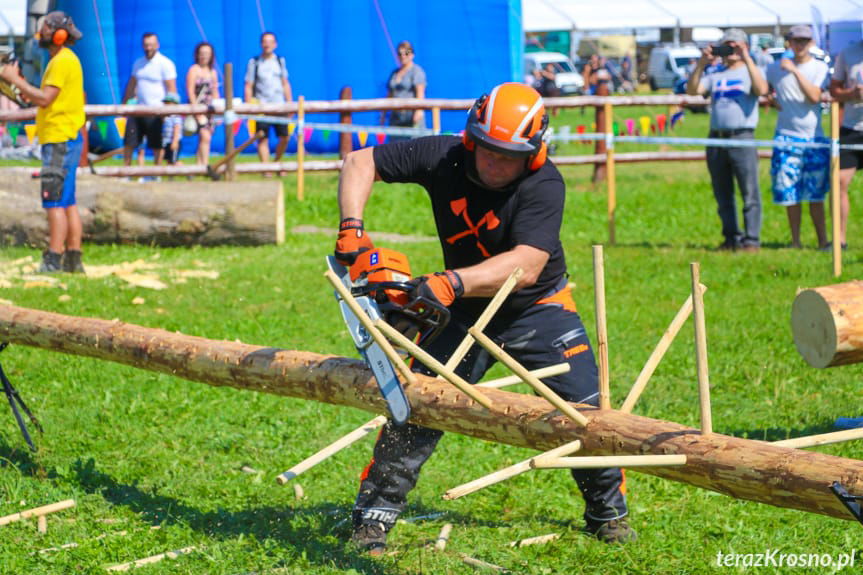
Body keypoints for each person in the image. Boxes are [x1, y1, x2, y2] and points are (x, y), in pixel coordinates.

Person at [335, 82, 634, 555]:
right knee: (416, 404)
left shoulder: (545, 183)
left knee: (584, 411)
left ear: (533, 154)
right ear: (471, 139)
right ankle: (373, 517)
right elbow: (359, 161)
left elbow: (526, 264)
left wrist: (449, 283)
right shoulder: (444, 156)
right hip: (463, 311)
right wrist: (351, 225)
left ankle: (608, 515)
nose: (494, 164)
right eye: (487, 150)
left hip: (539, 307)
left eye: (508, 156)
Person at [0, 11, 86, 273]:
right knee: (67, 201)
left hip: (59, 139)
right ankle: (73, 259)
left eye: (46, 28)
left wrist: (14, 79)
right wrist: (20, 88)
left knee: (53, 201)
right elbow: (43, 97)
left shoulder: (61, 61)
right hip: (66, 137)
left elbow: (45, 99)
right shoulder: (62, 60)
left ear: (59, 34)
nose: (41, 33)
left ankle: (53, 259)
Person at [687, 28, 768, 252]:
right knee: (723, 193)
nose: (731, 50)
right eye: (727, 46)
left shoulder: (751, 71)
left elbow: (762, 89)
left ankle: (751, 240)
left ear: (745, 47)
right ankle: (731, 237)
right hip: (717, 139)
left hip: (742, 136)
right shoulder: (716, 74)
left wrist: (747, 58)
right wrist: (701, 64)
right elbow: (692, 90)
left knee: (749, 191)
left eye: (736, 45)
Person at [765, 25, 830, 249]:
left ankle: (823, 241)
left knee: (816, 195)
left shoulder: (819, 67)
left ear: (811, 43)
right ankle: (795, 242)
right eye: (796, 40)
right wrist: (770, 98)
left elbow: (814, 96)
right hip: (785, 137)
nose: (800, 45)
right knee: (789, 194)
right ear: (789, 43)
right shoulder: (774, 68)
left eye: (804, 40)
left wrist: (794, 71)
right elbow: (763, 88)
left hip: (813, 139)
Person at [122, 33, 177, 167]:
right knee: (129, 142)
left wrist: (167, 112)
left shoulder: (165, 63)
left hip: (156, 111)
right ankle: (126, 172)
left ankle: (156, 173)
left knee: (157, 145)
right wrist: (123, 106)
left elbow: (172, 90)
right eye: (146, 45)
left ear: (157, 45)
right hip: (138, 110)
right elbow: (131, 85)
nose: (148, 48)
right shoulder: (138, 63)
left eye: (151, 45)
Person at [830, 36, 863, 250]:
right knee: (839, 182)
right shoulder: (848, 53)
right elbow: (834, 90)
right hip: (852, 129)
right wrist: (852, 93)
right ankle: (839, 240)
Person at [244, 31, 292, 169]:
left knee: (285, 137)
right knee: (262, 138)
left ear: (275, 44)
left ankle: (276, 163)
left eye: (270, 42)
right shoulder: (254, 62)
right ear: (261, 44)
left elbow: (285, 83)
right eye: (265, 42)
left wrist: (290, 103)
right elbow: (248, 85)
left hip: (279, 105)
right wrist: (249, 107)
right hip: (262, 106)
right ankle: (266, 168)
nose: (267, 45)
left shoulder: (280, 61)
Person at [382, 41, 426, 140]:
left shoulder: (417, 71)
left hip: (411, 118)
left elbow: (420, 93)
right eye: (400, 53)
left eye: (406, 53)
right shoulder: (394, 73)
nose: (403, 56)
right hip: (396, 119)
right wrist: (383, 115)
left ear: (412, 55)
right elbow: (389, 95)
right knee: (395, 147)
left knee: (414, 147)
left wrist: (419, 111)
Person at [186, 41, 219, 165]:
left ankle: (199, 166)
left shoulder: (212, 72)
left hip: (210, 109)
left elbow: (215, 91)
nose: (204, 56)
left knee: (205, 138)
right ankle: (205, 166)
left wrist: (218, 110)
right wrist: (196, 111)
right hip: (198, 109)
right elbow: (190, 91)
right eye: (202, 53)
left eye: (207, 53)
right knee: (205, 137)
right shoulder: (194, 70)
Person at [161, 92, 182, 167]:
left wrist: (175, 141)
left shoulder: (176, 116)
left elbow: (177, 129)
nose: (165, 105)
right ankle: (170, 174)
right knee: (169, 160)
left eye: (168, 103)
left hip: (173, 141)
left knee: (174, 161)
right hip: (167, 141)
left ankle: (186, 170)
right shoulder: (167, 116)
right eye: (165, 103)